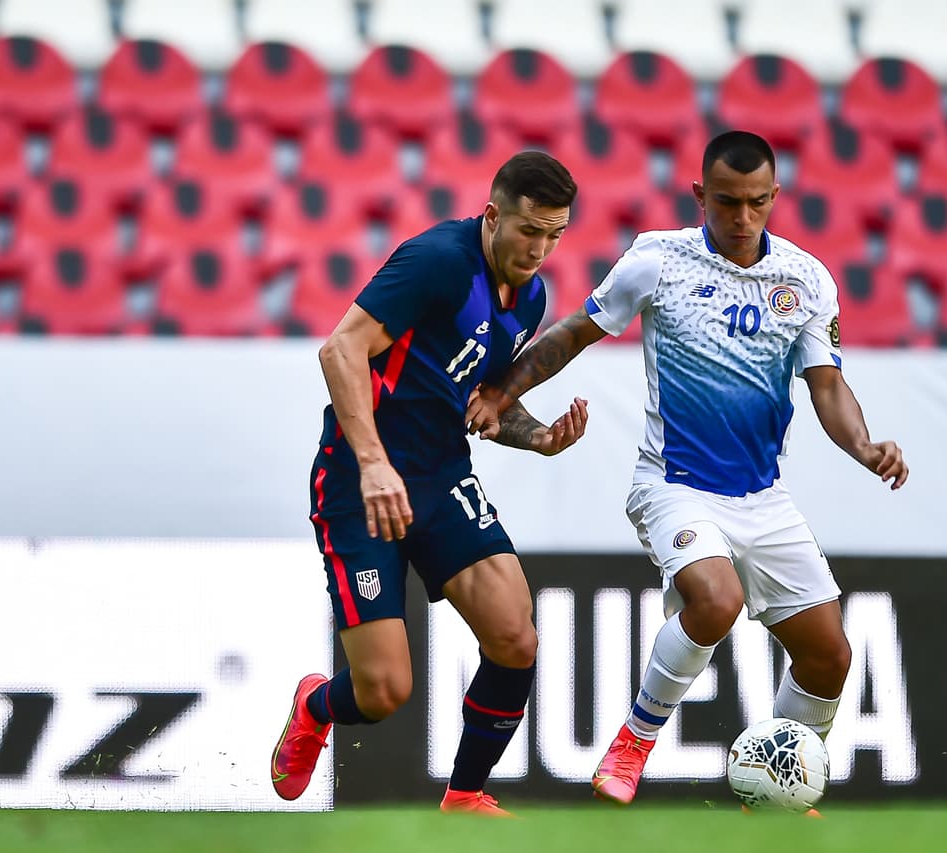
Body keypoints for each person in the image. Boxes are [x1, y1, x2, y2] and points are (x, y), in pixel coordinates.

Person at [466, 131, 908, 807]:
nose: (742, 218)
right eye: (727, 202)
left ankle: (774, 789)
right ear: (701, 195)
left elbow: (827, 386)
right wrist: (502, 393)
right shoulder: (658, 259)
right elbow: (576, 331)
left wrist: (866, 445)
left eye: (757, 202)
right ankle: (633, 742)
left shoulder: (806, 279)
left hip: (763, 497)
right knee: (716, 598)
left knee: (830, 656)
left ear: (774, 197)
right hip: (674, 485)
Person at [270, 151, 588, 816]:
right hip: (361, 483)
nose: (539, 249)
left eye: (554, 234)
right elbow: (341, 349)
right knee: (384, 690)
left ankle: (465, 793)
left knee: (515, 635)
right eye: (529, 230)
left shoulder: (530, 298)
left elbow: (475, 407)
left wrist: (538, 436)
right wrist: (375, 462)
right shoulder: (440, 259)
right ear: (494, 215)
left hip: (442, 478)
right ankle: (315, 703)